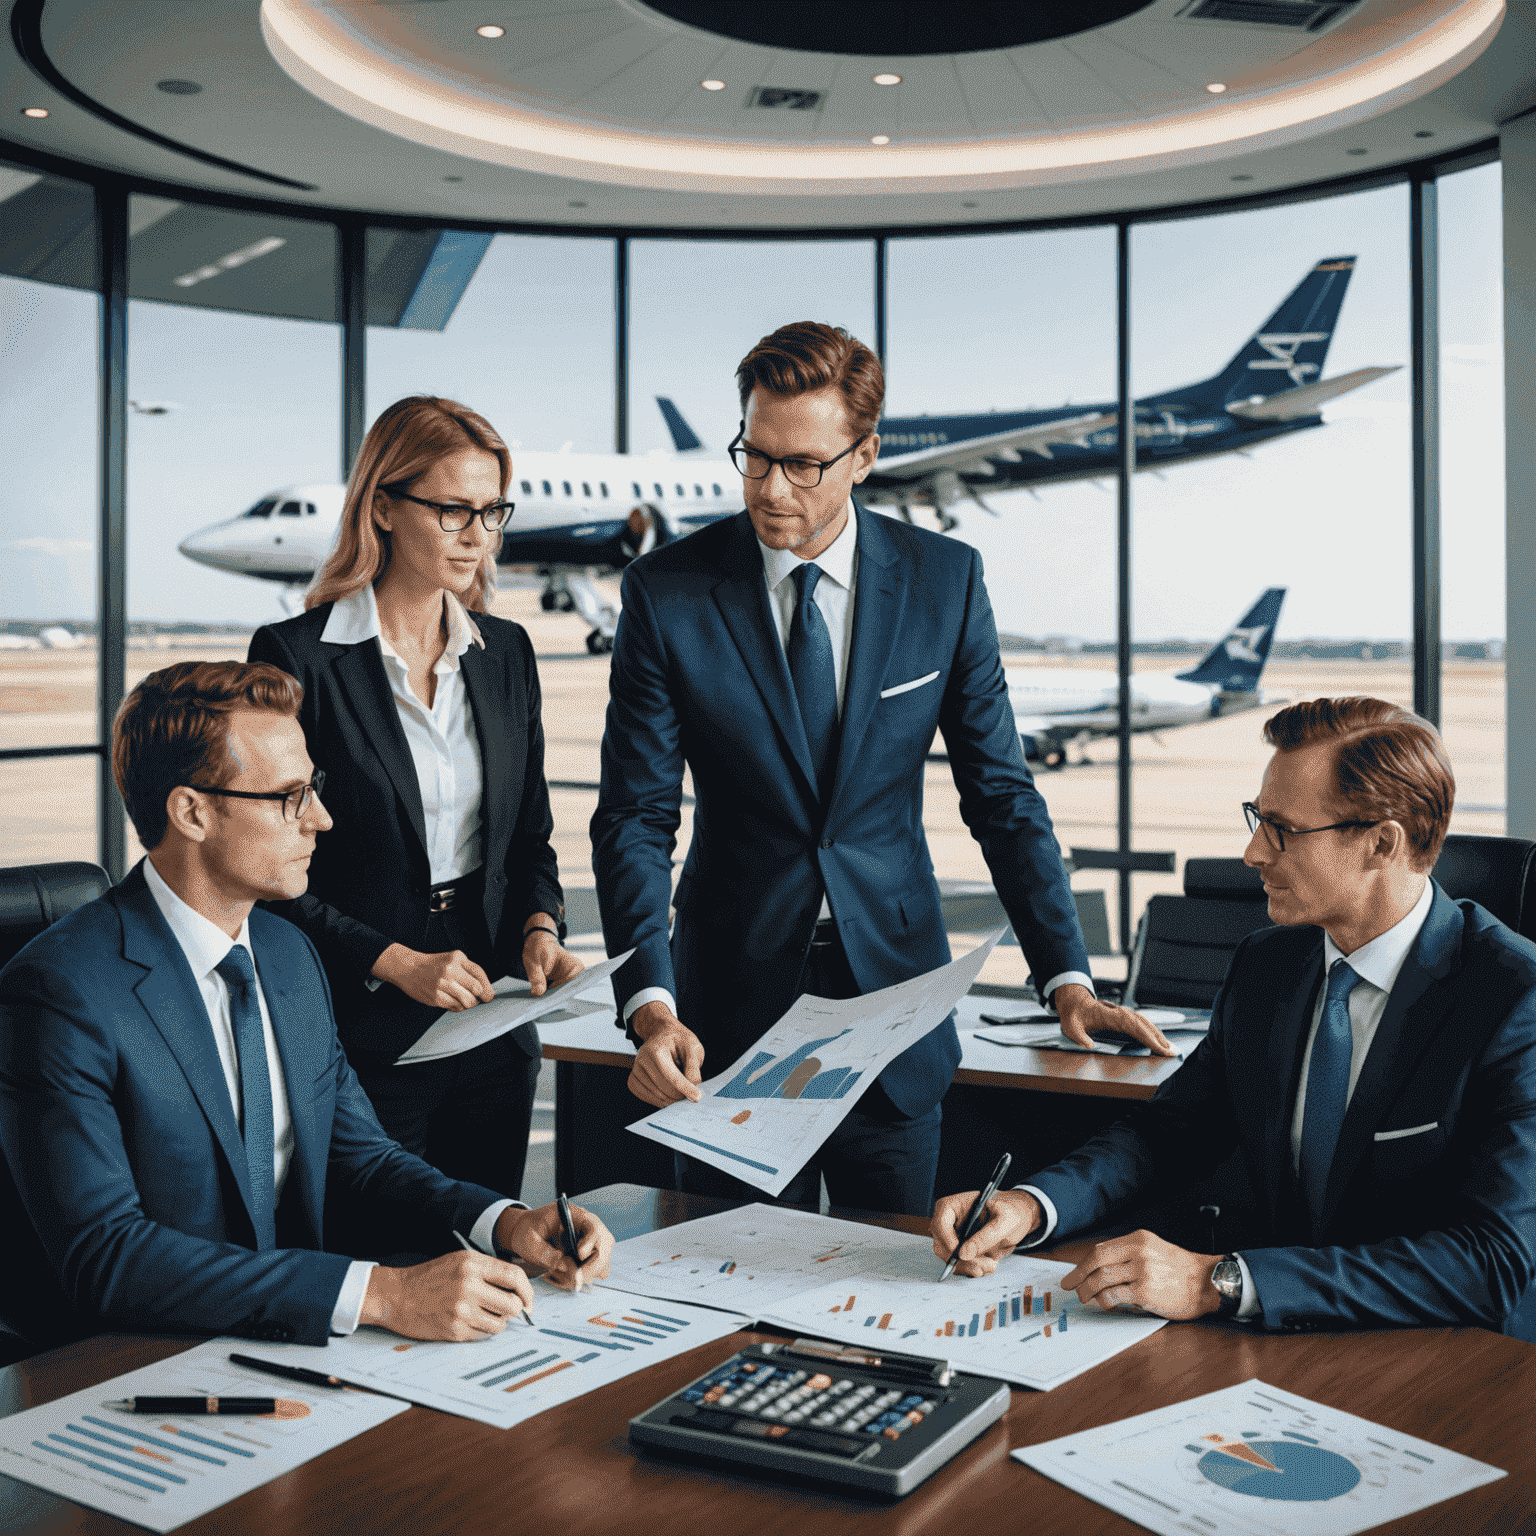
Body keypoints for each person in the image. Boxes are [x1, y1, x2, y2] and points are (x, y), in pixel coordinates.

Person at [591, 321, 1172, 1218]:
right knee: (726, 1288)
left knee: (891, 1283)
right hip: (728, 1020)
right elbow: (635, 816)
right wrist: (651, 1006)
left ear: (864, 456)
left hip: (893, 1018)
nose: (771, 488)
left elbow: (1002, 795)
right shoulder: (666, 593)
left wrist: (1068, 976)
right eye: (754, 455)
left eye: (804, 464)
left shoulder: (945, 580)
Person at [0, 662, 613, 1350]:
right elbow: (107, 1258)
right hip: (128, 1368)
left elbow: (361, 1154)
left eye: (312, 789)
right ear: (192, 812)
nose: (322, 818)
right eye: (291, 796)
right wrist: (380, 1292)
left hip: (288, 1347)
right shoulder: (60, 993)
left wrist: (502, 1221)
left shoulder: (289, 956)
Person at [931, 697, 1536, 1340]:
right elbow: (1171, 1133)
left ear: (1381, 842)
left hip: (1443, 1357)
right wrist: (1031, 1206)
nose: (1252, 853)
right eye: (1258, 819)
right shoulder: (1270, 962)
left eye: (1281, 828)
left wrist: (1218, 1280)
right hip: (1272, 1343)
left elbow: (1491, 1260)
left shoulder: (1513, 996)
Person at [248, 396, 583, 1208]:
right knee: (389, 1254)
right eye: (454, 511)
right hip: (362, 1015)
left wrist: (541, 925)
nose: (480, 535)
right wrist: (394, 962)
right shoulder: (301, 658)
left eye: (493, 511)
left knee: (493, 1241)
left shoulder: (506, 652)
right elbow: (269, 871)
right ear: (385, 507)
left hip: (492, 1001)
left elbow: (529, 839)